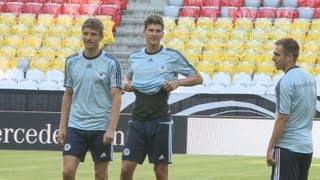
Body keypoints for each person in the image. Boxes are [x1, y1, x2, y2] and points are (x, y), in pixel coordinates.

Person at [120, 14, 203, 180]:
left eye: (158, 30)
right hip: (138, 121)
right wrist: (126, 82)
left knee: (160, 172)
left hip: (160, 121)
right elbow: (128, 76)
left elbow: (198, 78)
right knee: (126, 169)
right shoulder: (135, 57)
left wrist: (178, 82)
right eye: (150, 30)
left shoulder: (172, 56)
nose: (154, 34)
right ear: (144, 32)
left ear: (163, 34)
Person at [56, 18, 123, 180]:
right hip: (76, 126)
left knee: (100, 174)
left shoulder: (111, 62)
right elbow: (68, 94)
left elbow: (117, 97)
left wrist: (111, 129)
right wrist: (62, 126)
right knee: (67, 172)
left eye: (93, 34)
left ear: (101, 37)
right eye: (85, 34)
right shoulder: (71, 61)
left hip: (100, 126)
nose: (88, 37)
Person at [266, 38, 317, 180]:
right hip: (306, 147)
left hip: (287, 147)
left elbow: (283, 118)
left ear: (289, 57)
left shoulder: (286, 82)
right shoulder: (310, 79)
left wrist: (270, 148)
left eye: (277, 54)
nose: (273, 58)